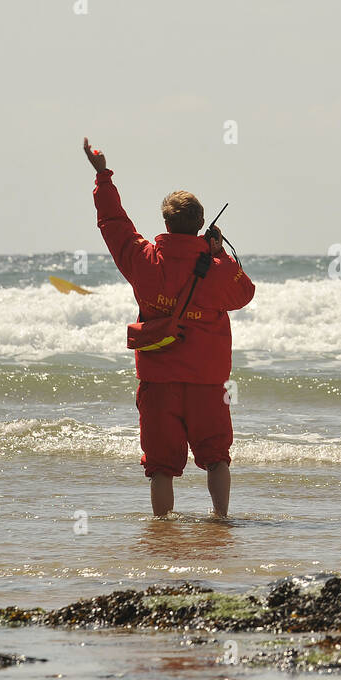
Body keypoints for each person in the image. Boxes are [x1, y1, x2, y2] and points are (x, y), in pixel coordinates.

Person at [83, 138, 254, 517]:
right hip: (207, 383)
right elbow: (245, 293)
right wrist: (219, 253)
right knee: (216, 458)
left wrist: (103, 176)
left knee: (160, 467)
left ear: (165, 222)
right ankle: (221, 520)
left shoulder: (143, 260)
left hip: (159, 381)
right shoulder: (218, 268)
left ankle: (162, 530)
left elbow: (113, 224)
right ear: (200, 224)